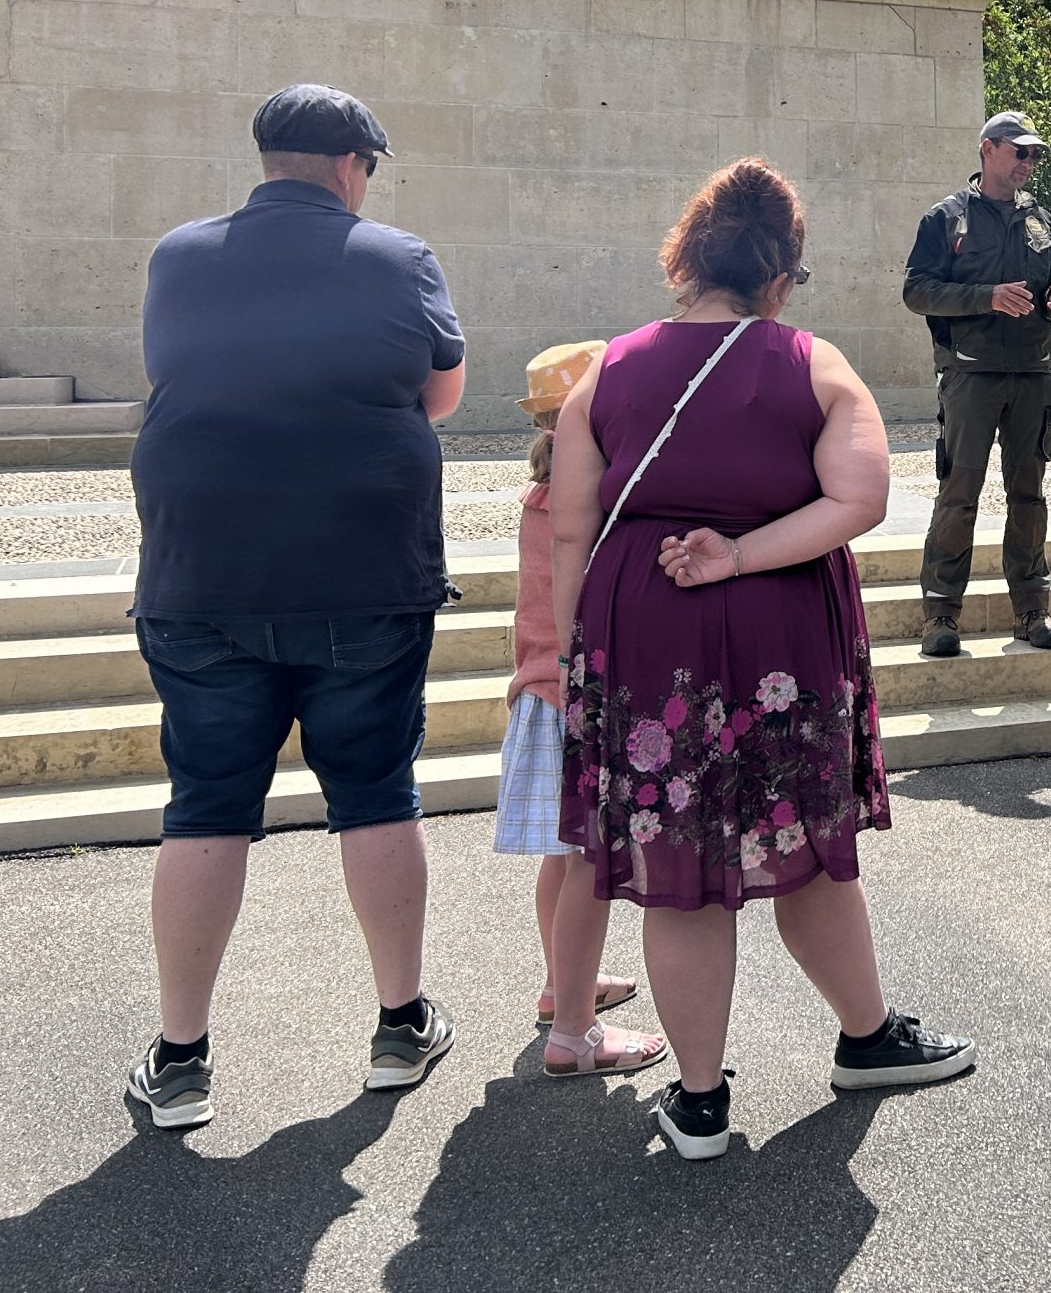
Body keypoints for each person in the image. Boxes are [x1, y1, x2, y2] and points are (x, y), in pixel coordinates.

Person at [554, 157, 972, 1161]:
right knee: (806, 838)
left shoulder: (602, 372)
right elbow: (859, 501)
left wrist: (583, 657)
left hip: (642, 631)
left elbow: (570, 530)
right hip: (779, 625)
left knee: (677, 866)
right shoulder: (813, 365)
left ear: (686, 260)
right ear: (780, 274)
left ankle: (699, 1105)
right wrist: (740, 552)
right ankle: (866, 1038)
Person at [124, 84, 466, 1130]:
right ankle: (400, 1025)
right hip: (360, 573)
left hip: (204, 576)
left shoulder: (179, 255)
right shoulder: (397, 257)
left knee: (206, 807)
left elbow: (175, 370)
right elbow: (442, 394)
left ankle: (181, 1058)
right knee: (374, 791)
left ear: (267, 157)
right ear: (356, 164)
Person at [495, 339, 666, 1077]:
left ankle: (562, 984)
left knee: (564, 861)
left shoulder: (541, 494)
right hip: (577, 702)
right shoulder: (589, 504)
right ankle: (575, 1033)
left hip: (539, 695)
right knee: (590, 866)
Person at [903, 111, 1051, 659]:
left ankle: (1031, 610)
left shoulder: (1043, 222)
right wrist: (986, 296)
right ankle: (940, 615)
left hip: (1032, 374)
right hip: (970, 374)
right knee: (959, 495)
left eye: (1035, 155)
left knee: (1029, 496)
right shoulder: (947, 218)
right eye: (1019, 152)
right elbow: (917, 291)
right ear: (988, 150)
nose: (1029, 163)